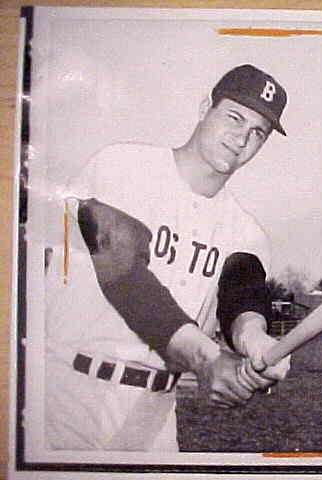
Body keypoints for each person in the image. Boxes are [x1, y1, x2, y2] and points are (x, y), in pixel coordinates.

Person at [44, 64, 291, 451]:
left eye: (258, 132)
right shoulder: (122, 166)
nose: (242, 137)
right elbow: (126, 279)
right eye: (234, 117)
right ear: (204, 107)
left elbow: (241, 296)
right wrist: (207, 357)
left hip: (155, 414)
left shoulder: (247, 231)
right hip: (67, 395)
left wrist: (255, 340)